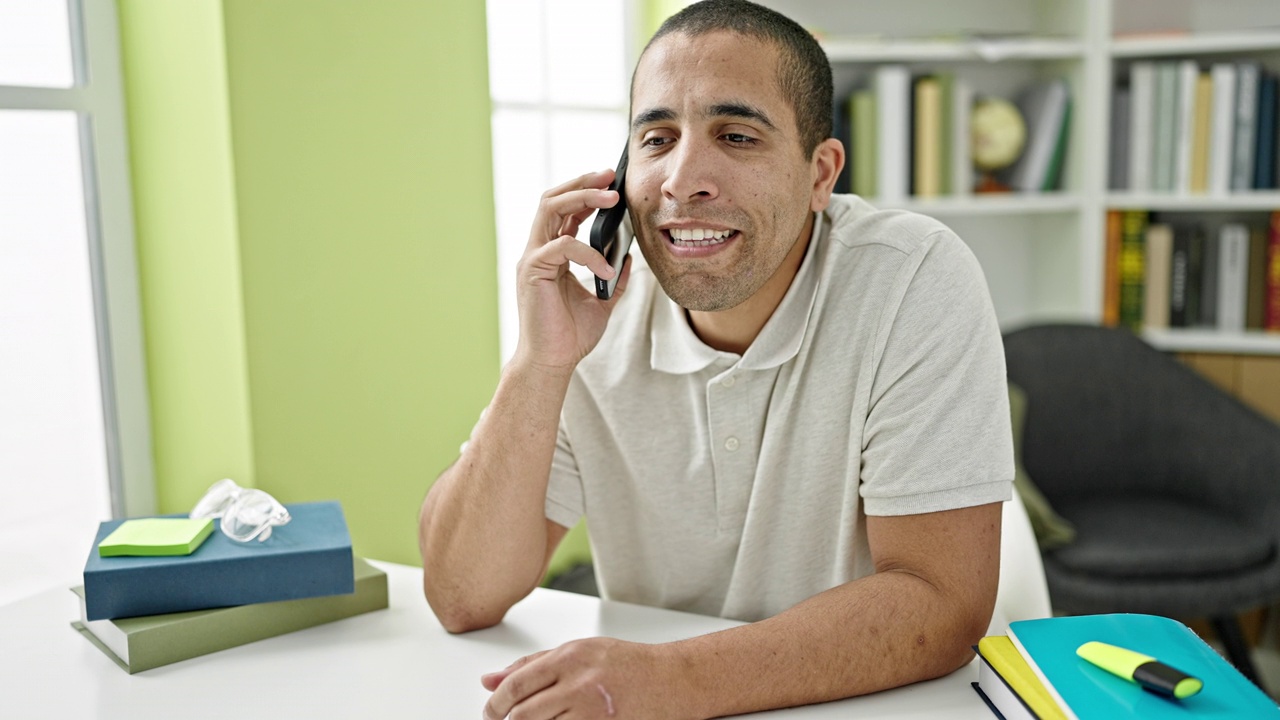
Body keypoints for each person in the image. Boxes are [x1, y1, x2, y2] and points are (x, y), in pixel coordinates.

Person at [418, 1, 1014, 717]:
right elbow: (461, 594)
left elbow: (940, 604)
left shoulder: (912, 278)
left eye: (735, 136)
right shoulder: (594, 313)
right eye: (657, 138)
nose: (682, 179)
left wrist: (672, 681)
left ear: (820, 173)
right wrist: (539, 366)